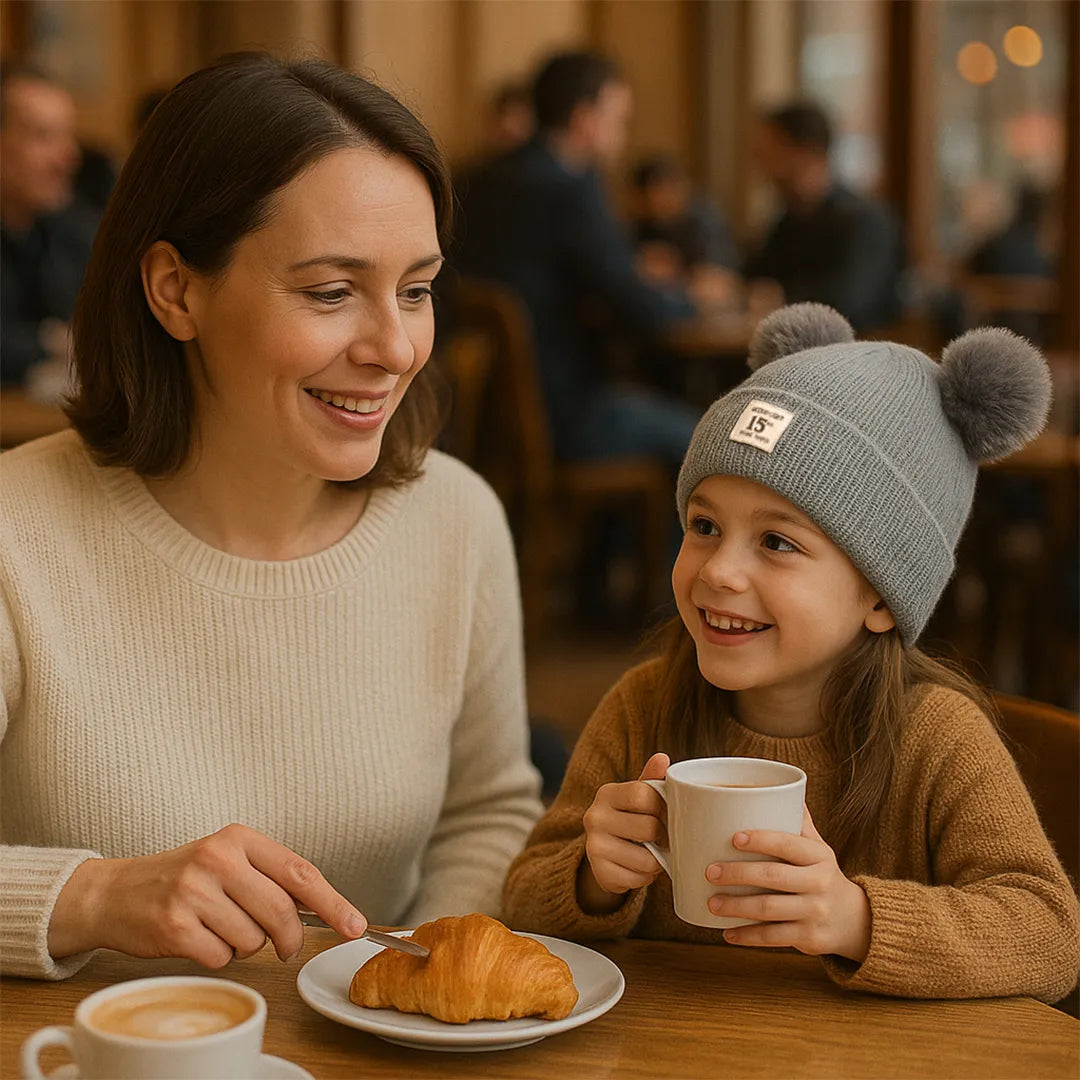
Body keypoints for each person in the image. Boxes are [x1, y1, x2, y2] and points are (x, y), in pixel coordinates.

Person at [0, 52, 542, 981]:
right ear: (176, 290)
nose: (395, 347)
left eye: (416, 290)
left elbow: (486, 814)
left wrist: (413, 985)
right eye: (331, 292)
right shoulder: (17, 533)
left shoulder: (456, 520)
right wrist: (91, 897)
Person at [503, 303, 1080, 1004]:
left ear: (880, 597)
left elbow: (1052, 937)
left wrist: (854, 918)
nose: (720, 571)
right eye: (704, 525)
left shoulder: (936, 737)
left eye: (777, 542)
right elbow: (522, 895)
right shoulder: (642, 705)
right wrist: (593, 877)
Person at [454, 51, 704, 467]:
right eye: (619, 120)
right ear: (585, 119)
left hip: (484, 418)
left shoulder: (479, 179)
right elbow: (638, 307)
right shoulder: (571, 190)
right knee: (707, 437)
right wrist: (693, 299)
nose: (622, 134)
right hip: (565, 414)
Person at [745, 102, 903, 332]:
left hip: (856, 350)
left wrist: (780, 295)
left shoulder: (865, 221)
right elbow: (756, 276)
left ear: (807, 151)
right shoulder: (788, 221)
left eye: (769, 150)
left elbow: (849, 300)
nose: (759, 162)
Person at [0, 61, 97, 388]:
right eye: (44, 136)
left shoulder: (75, 232)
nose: (68, 157)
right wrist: (47, 342)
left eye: (67, 136)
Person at [629, 153, 740, 286]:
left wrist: (677, 269)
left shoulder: (705, 222)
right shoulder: (641, 224)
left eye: (666, 191)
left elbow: (720, 274)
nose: (660, 202)